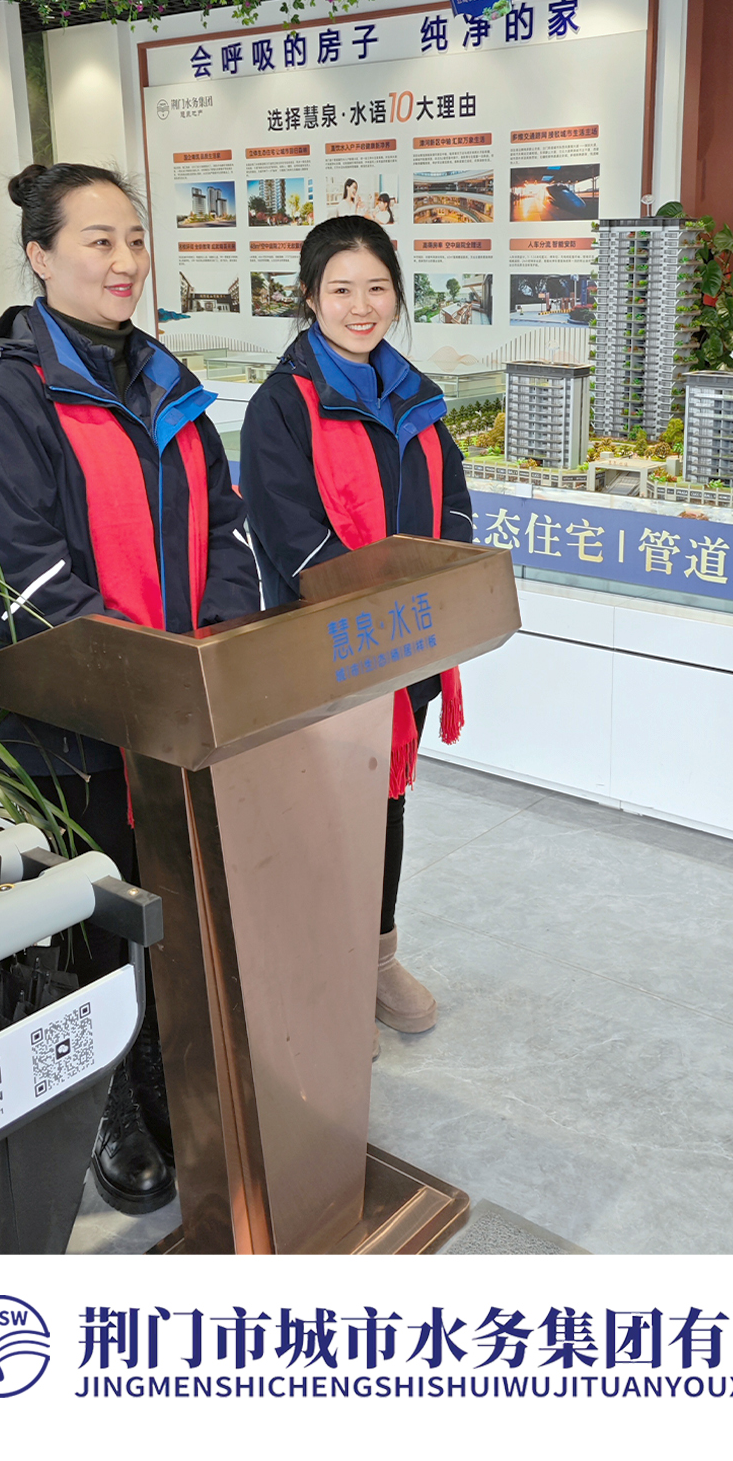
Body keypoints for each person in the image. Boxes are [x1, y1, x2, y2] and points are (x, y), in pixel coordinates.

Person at [0, 162, 261, 1217]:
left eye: (134, 238)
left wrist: (216, 640)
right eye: (98, 241)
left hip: (174, 709)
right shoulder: (5, 398)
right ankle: (109, 1099)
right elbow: (17, 565)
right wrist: (142, 672)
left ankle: (166, 1063)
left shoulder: (165, 380)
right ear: (40, 256)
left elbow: (225, 521)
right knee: (97, 909)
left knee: (172, 898)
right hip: (72, 721)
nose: (125, 261)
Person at [238, 216, 472, 1052]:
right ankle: (319, 973)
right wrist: (372, 615)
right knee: (321, 815)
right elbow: (289, 534)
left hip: (409, 644)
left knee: (385, 804)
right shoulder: (281, 407)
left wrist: (440, 581)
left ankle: (374, 959)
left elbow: (452, 503)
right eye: (341, 288)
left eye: (376, 287)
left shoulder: (414, 395)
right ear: (309, 297)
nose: (361, 305)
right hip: (327, 648)